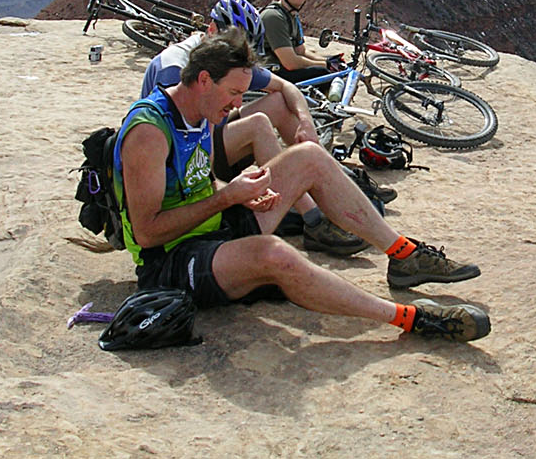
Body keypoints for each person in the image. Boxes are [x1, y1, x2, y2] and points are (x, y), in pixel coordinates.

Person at [114, 31, 490, 342]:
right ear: (203, 80)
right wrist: (230, 196)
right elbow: (148, 233)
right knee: (275, 254)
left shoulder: (202, 112)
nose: (237, 105)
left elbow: (199, 182)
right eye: (233, 93)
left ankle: (404, 255)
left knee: (308, 155)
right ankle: (415, 319)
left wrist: (243, 192)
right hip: (170, 260)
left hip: (211, 228)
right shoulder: (150, 130)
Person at [141, 0, 364, 256]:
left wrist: (306, 124)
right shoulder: (175, 66)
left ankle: (328, 176)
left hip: (208, 139)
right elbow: (180, 141)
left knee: (278, 102)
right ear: (212, 30)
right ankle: (314, 221)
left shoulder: (225, 57)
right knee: (258, 123)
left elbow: (285, 87)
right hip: (184, 160)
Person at [260, 0, 339, 83]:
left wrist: (329, 61)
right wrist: (325, 65)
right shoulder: (273, 16)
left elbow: (300, 51)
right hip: (269, 73)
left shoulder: (291, 16)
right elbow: (291, 63)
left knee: (332, 72)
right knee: (323, 74)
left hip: (281, 69)